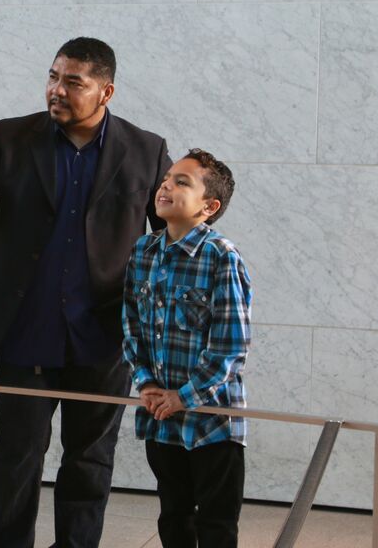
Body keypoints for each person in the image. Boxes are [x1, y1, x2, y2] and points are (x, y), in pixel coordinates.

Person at [0, 37, 172, 548]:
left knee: (89, 460)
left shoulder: (146, 149)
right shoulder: (12, 136)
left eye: (73, 82)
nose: (56, 90)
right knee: (16, 457)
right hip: (26, 331)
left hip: (105, 338)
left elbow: (172, 229)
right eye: (52, 76)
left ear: (105, 91)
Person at [122, 149, 252, 548]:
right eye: (167, 178)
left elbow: (231, 345)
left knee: (216, 525)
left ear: (208, 206)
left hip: (212, 423)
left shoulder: (221, 258)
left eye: (182, 182)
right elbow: (130, 326)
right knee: (173, 518)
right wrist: (145, 384)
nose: (166, 185)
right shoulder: (143, 251)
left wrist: (185, 396)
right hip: (161, 418)